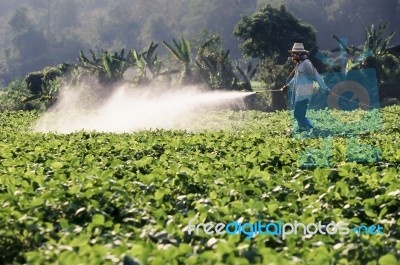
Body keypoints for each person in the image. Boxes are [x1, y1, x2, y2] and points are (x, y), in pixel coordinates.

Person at [284, 43, 329, 133]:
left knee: (298, 114)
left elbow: (316, 76)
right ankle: (303, 129)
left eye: (294, 53)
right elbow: (295, 79)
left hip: (304, 94)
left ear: (300, 54)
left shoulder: (306, 64)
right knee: (299, 114)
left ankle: (311, 128)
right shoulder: (299, 65)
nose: (292, 56)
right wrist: (288, 87)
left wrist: (324, 88)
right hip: (299, 94)